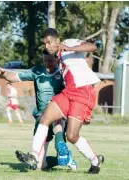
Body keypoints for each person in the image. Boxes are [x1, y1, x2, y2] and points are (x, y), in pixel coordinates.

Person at [15, 28, 104, 174]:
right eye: (45, 44)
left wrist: (69, 47)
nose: (47, 46)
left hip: (82, 92)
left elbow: (93, 47)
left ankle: (95, 161)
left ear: (57, 40)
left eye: (49, 42)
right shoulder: (56, 57)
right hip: (68, 92)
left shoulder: (68, 43)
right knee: (45, 118)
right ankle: (33, 156)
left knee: (72, 136)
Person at [0, 50, 76, 170]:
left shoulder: (64, 73)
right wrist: (3, 73)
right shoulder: (37, 71)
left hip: (58, 113)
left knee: (57, 123)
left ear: (57, 60)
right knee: (39, 166)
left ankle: (61, 149)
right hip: (41, 116)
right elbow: (15, 77)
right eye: (45, 60)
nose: (47, 63)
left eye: (50, 60)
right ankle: (64, 159)